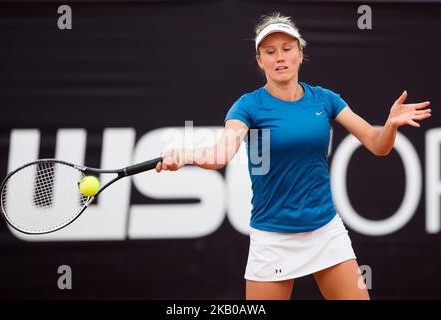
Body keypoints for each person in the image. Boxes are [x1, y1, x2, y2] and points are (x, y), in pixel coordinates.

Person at [155, 12, 431, 300]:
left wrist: (389, 126)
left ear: (301, 53)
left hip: (325, 230)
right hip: (273, 238)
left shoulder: (326, 99)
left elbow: (377, 145)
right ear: (260, 61)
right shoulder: (248, 106)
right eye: (270, 52)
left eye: (287, 49)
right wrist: (184, 155)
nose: (280, 58)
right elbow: (221, 154)